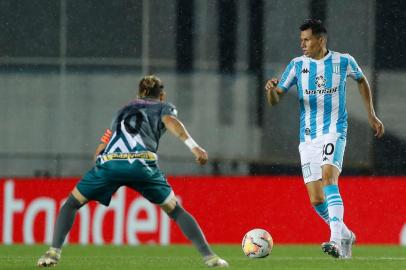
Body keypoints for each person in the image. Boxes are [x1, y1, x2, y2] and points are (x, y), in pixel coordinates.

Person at [37, 75, 229, 268]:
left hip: (110, 164)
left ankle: (53, 253)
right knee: (176, 211)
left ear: (138, 93)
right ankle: (210, 257)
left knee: (71, 204)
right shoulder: (163, 107)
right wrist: (194, 147)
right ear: (162, 95)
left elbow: (99, 150)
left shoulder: (121, 112)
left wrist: (103, 171)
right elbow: (171, 121)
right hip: (142, 164)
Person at [265, 19, 384, 259]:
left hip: (334, 130)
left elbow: (361, 80)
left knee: (329, 177)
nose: (303, 44)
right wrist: (270, 90)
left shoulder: (343, 61)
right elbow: (276, 99)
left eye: (307, 39)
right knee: (316, 199)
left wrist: (371, 114)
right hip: (308, 137)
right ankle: (346, 234)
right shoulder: (297, 66)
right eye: (301, 40)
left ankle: (335, 241)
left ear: (321, 39)